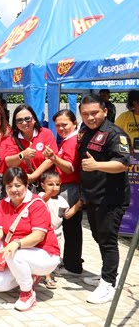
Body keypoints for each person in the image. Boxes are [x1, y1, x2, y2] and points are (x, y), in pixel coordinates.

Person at [0, 167, 60, 312]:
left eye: (18, 185)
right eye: (9, 186)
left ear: (26, 185)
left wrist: (17, 243)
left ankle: (27, 294)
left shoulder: (37, 203)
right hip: (18, 253)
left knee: (14, 254)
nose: (13, 190)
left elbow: (38, 236)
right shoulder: (2, 204)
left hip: (45, 255)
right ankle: (29, 277)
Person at [78, 94, 131, 304]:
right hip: (93, 197)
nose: (90, 117)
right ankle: (107, 275)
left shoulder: (115, 134)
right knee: (99, 237)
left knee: (108, 240)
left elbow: (123, 163)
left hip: (112, 199)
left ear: (105, 111)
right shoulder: (85, 132)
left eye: (95, 113)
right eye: (85, 114)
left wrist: (97, 165)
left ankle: (109, 284)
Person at [42, 109, 83, 274]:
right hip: (66, 187)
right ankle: (71, 262)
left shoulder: (72, 141)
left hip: (70, 188)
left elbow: (69, 168)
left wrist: (54, 158)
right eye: (57, 125)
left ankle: (72, 265)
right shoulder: (67, 140)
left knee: (69, 226)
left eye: (64, 124)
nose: (61, 128)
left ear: (74, 123)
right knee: (69, 227)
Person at [37, 170, 83, 289]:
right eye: (50, 184)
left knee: (53, 255)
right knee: (41, 253)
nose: (55, 187)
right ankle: (47, 276)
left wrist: (78, 204)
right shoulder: (41, 196)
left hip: (56, 234)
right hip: (42, 233)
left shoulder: (62, 201)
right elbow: (42, 201)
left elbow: (66, 215)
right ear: (43, 185)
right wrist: (49, 192)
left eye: (57, 184)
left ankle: (46, 273)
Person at [4, 104, 57, 187]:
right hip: (21, 185)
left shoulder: (46, 133)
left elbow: (51, 159)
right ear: (15, 123)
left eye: (27, 119)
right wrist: (22, 155)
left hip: (45, 184)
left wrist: (33, 176)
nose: (24, 122)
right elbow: (9, 162)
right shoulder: (12, 138)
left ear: (34, 119)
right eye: (19, 120)